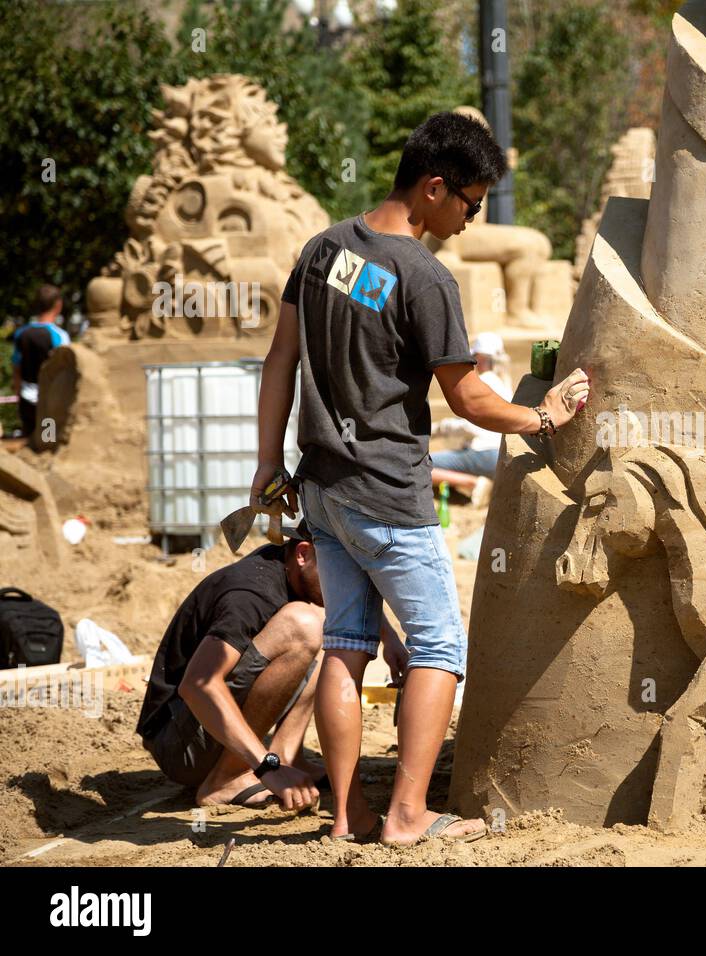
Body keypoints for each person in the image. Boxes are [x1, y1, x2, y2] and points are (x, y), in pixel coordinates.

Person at [255, 111, 589, 846]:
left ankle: (349, 815)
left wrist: (264, 463)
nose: (471, 220)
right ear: (434, 188)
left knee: (346, 641)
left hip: (322, 485)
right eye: (469, 203)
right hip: (387, 493)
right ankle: (408, 813)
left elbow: (281, 360)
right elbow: (467, 399)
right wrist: (547, 416)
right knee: (439, 646)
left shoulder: (321, 251)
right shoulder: (424, 277)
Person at [136, 526, 399, 812]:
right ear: (303, 554)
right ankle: (227, 779)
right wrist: (266, 768)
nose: (346, 586)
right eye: (340, 572)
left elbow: (342, 602)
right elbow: (198, 685)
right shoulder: (250, 593)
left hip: (200, 734)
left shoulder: (287, 565)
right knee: (303, 626)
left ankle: (287, 757)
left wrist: (391, 639)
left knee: (330, 632)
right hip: (179, 744)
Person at [429, 331, 511, 505]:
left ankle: (473, 484)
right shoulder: (504, 383)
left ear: (480, 358)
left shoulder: (483, 383)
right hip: (502, 454)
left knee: (421, 466)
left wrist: (439, 429)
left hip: (484, 452)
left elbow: (471, 427)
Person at [11, 285, 70, 437]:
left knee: (27, 442)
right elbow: (65, 371)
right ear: (58, 305)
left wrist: (19, 394)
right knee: (47, 443)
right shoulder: (60, 336)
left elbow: (16, 367)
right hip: (49, 403)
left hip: (26, 402)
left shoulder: (21, 333)